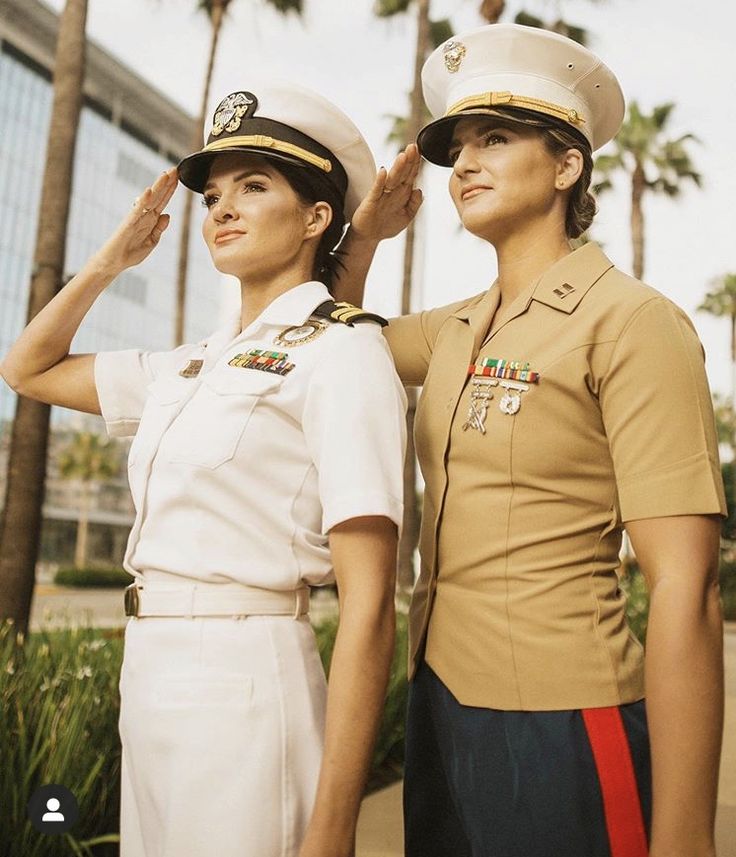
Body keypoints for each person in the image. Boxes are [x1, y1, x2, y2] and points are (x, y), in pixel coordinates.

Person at [336, 23, 726, 857]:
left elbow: (686, 591)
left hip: (566, 724)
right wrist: (365, 235)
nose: (465, 163)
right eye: (459, 147)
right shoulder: (453, 327)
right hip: (439, 710)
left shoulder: (632, 322)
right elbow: (328, 340)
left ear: (567, 165)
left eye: (497, 138)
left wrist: (684, 838)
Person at [0, 82, 407, 857]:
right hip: (150, 674)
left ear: (316, 218)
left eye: (254, 187)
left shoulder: (343, 352)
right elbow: (25, 368)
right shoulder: (188, 364)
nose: (222, 207)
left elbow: (369, 605)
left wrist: (332, 826)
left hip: (247, 681)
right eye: (214, 193)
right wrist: (111, 259)